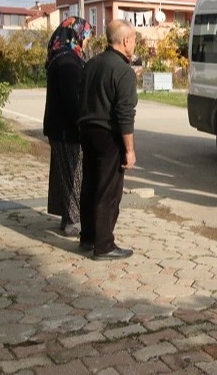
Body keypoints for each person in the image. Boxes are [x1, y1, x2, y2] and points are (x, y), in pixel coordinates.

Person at [78, 19, 138, 260]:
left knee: (90, 185)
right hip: (108, 135)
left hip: (87, 130)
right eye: (134, 40)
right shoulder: (123, 71)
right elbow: (125, 114)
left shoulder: (91, 64)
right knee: (108, 190)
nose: (134, 44)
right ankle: (104, 245)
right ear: (125, 41)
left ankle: (88, 237)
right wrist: (129, 150)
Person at [43, 16, 91, 236]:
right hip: (67, 128)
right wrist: (83, 123)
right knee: (75, 174)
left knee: (65, 172)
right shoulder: (68, 62)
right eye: (86, 36)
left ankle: (66, 218)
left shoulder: (59, 56)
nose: (87, 42)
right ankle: (73, 220)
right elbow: (73, 99)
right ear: (76, 35)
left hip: (58, 126)